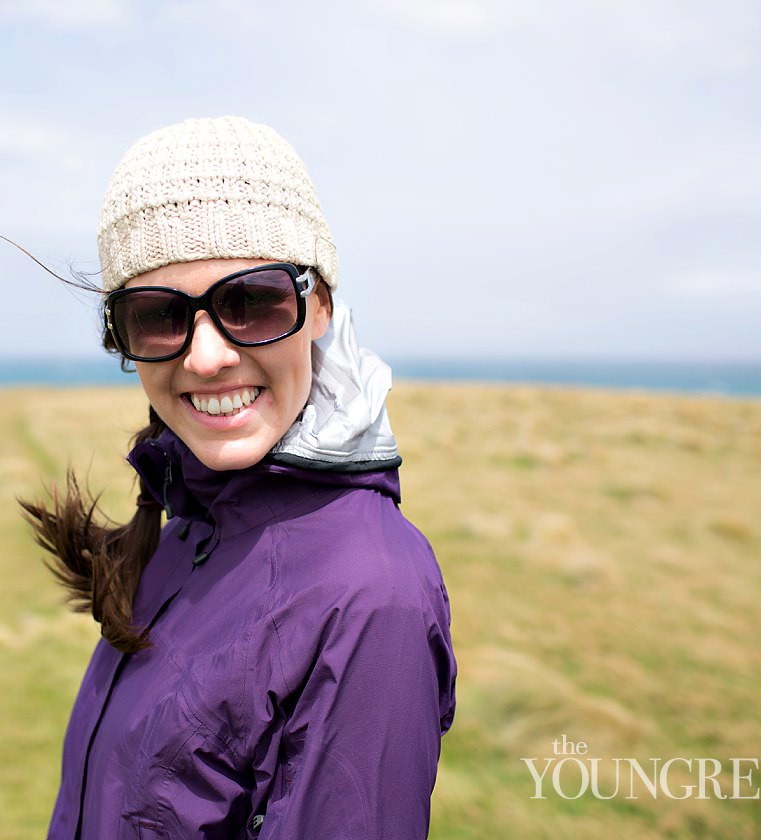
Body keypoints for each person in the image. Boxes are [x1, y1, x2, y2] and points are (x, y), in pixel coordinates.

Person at [22, 116, 456, 839]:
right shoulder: (191, 525)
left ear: (318, 306)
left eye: (250, 302)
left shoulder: (371, 599)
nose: (206, 356)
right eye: (159, 315)